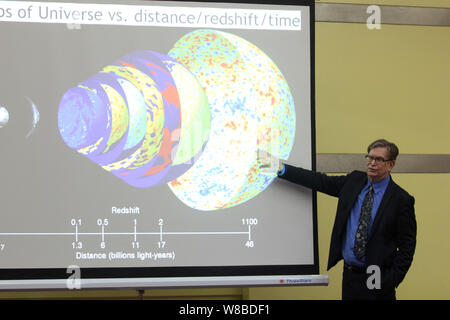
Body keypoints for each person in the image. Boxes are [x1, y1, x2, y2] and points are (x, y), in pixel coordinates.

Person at [274, 139, 416, 300]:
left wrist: (391, 280)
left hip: (377, 276)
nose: (372, 163)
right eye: (370, 158)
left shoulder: (401, 199)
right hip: (350, 275)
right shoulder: (354, 182)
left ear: (391, 165)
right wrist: (280, 168)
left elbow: (407, 246)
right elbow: (320, 181)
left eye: (379, 159)